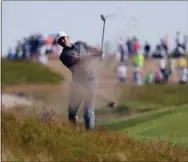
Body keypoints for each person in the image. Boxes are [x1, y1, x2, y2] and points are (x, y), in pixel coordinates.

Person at [57, 31, 102, 129]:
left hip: (91, 81)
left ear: (68, 37)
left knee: (88, 110)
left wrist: (98, 51)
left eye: (64, 38)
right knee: (72, 111)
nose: (63, 41)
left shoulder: (80, 44)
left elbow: (91, 48)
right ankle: (74, 132)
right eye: (60, 40)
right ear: (60, 44)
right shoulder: (64, 56)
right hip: (78, 84)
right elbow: (78, 60)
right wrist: (93, 55)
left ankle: (90, 135)